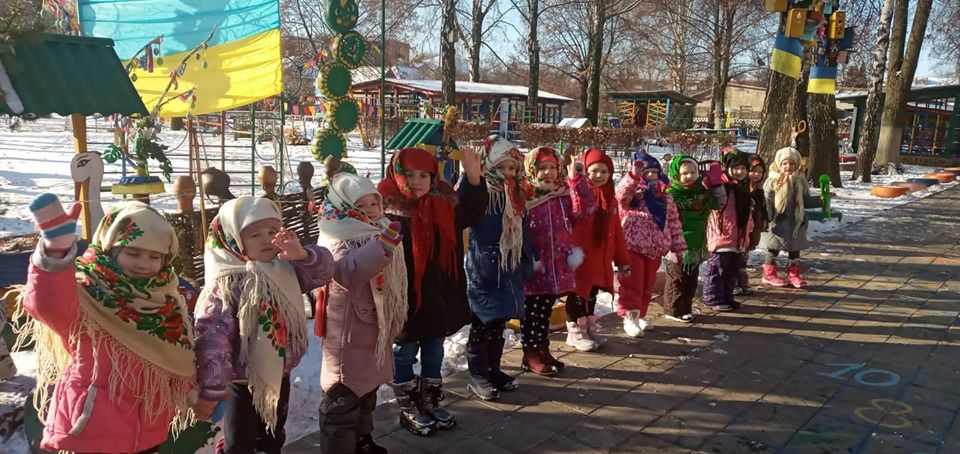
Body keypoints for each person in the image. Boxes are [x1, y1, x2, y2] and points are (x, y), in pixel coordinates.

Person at [23, 196, 196, 453]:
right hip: (89, 433)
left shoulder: (166, 300)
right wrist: (55, 253)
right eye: (132, 252)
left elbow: (175, 356)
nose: (143, 264)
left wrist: (193, 391)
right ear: (109, 249)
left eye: (154, 256)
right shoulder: (87, 291)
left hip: (147, 435)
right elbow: (47, 305)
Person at [193, 196, 335, 454]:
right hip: (240, 380)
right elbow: (212, 338)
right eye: (255, 235)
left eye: (272, 232)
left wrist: (303, 255)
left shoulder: (284, 268)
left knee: (272, 433)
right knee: (240, 440)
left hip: (280, 372)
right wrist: (213, 384)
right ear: (233, 238)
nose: (267, 239)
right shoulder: (226, 284)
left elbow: (324, 272)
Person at [377, 146, 487, 435]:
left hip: (437, 298)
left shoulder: (444, 204)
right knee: (404, 352)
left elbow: (472, 212)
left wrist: (473, 180)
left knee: (434, 352)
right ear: (397, 174)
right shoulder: (385, 211)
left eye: (423, 175)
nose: (416, 181)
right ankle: (408, 406)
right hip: (406, 299)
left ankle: (430, 400)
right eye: (409, 174)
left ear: (433, 177)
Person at [315, 173, 407, 453]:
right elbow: (347, 273)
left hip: (370, 330)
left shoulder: (376, 229)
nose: (370, 210)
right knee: (343, 400)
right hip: (347, 335)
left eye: (373, 203)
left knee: (366, 393)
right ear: (343, 208)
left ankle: (361, 440)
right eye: (361, 205)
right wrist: (381, 247)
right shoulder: (337, 236)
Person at [464, 136, 537, 400]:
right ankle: (477, 374)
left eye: (512, 168)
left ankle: (493, 369)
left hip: (509, 269)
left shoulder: (517, 196)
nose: (507, 173)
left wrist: (529, 258)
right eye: (501, 168)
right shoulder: (482, 193)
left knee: (499, 325)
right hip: (484, 269)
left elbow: (524, 231)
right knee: (482, 326)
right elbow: (465, 207)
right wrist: (472, 180)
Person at [521, 146, 593, 374]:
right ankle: (530, 353)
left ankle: (543, 349)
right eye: (542, 168)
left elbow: (581, 212)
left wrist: (575, 181)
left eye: (552, 167)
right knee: (531, 310)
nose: (548, 173)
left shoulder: (562, 193)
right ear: (532, 169)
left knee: (544, 310)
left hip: (556, 263)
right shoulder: (526, 195)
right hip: (534, 262)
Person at [616, 152, 685, 336]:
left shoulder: (665, 198)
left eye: (654, 172)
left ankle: (641, 315)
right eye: (646, 173)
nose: (650, 176)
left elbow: (674, 223)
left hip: (655, 249)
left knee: (648, 284)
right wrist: (632, 177)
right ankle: (630, 317)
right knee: (633, 283)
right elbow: (620, 196)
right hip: (633, 247)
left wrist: (678, 247)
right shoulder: (635, 196)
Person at [569, 148, 630, 350]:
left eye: (604, 172)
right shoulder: (580, 193)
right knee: (577, 293)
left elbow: (617, 231)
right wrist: (573, 180)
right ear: (585, 171)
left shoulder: (610, 198)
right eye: (594, 171)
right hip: (580, 256)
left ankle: (589, 326)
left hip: (600, 257)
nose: (599, 176)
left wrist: (622, 260)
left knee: (591, 294)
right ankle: (575, 330)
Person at [663, 155, 726, 323]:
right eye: (685, 173)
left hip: (697, 242)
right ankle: (673, 309)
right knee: (677, 278)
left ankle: (686, 308)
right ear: (676, 174)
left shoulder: (701, 192)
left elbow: (719, 204)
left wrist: (716, 185)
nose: (690, 176)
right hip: (677, 244)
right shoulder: (671, 193)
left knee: (691, 278)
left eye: (693, 172)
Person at [760, 147, 821, 289]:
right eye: (785, 163)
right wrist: (772, 187)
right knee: (773, 248)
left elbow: (805, 201)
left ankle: (794, 274)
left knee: (795, 249)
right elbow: (766, 198)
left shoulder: (800, 181)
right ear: (779, 164)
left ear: (797, 164)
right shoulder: (773, 180)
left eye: (792, 164)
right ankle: (768, 274)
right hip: (777, 221)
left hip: (795, 222)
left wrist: (820, 200)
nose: (788, 167)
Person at [702, 149, 754, 311]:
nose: (740, 172)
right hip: (721, 235)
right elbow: (710, 192)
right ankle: (712, 298)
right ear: (728, 168)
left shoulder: (744, 189)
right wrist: (714, 178)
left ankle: (727, 297)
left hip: (738, 238)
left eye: (743, 169)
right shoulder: (722, 186)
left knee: (732, 271)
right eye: (736, 168)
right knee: (717, 270)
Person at [736, 154, 769, 295]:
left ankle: (742, 279)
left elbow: (762, 207)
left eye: (760, 172)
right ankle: (734, 280)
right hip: (740, 226)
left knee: (745, 254)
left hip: (753, 226)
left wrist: (765, 219)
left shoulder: (758, 190)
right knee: (736, 253)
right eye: (753, 170)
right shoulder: (741, 188)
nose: (756, 174)